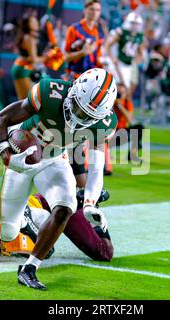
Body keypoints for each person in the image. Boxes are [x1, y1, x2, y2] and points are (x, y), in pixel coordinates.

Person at [0, 68, 118, 290]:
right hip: (23, 159)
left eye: (89, 115)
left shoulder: (105, 123)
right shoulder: (49, 92)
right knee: (7, 232)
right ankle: (32, 216)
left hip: (55, 159)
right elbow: (0, 118)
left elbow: (97, 170)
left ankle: (30, 268)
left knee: (66, 206)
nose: (81, 116)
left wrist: (89, 204)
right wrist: (7, 156)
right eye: (79, 107)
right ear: (74, 91)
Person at [0, 192, 113, 262]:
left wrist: (31, 232)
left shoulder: (5, 225)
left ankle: (90, 205)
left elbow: (46, 221)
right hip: (38, 206)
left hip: (54, 207)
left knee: (104, 253)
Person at [64, 0, 107, 185]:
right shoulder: (73, 30)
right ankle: (68, 159)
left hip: (92, 84)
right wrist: (83, 52)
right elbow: (64, 56)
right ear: (85, 10)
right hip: (74, 80)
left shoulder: (99, 32)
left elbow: (97, 57)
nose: (94, 13)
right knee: (69, 122)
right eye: (92, 9)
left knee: (89, 122)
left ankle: (88, 163)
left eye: (97, 10)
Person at [105, 12, 146, 99]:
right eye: (132, 23)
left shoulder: (140, 35)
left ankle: (122, 109)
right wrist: (112, 58)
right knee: (117, 89)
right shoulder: (121, 32)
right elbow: (108, 45)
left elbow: (141, 50)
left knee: (128, 90)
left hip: (129, 64)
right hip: (119, 62)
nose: (134, 26)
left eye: (136, 24)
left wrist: (138, 58)